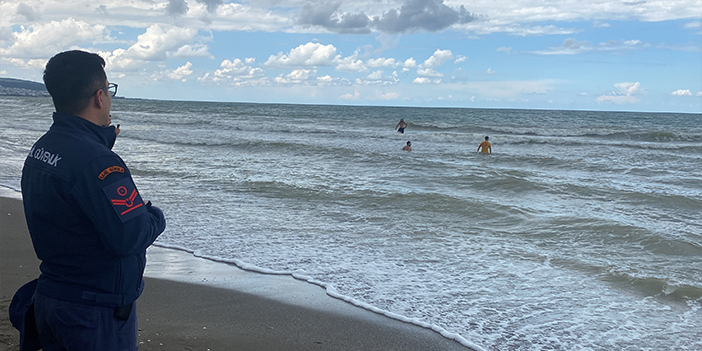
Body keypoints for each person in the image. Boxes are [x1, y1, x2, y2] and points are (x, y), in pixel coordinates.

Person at [18, 50, 166, 350]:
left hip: (53, 297)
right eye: (109, 90)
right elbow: (131, 235)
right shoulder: (100, 164)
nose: (109, 98)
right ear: (99, 96)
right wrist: (155, 216)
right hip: (93, 311)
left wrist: (100, 140)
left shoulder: (43, 149)